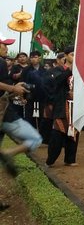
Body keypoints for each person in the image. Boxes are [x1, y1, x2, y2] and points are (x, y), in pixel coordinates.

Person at [0, 33, 41, 177]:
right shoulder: (0, 62)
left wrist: (14, 89)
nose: (6, 48)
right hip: (5, 114)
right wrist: (13, 89)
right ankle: (7, 153)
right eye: (4, 45)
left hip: (5, 110)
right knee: (35, 139)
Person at [46, 45, 78, 167]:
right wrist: (70, 70)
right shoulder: (57, 70)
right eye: (72, 55)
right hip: (61, 106)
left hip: (75, 106)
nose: (75, 57)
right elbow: (56, 82)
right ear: (65, 56)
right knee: (58, 134)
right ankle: (50, 160)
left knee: (74, 133)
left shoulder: (80, 71)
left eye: (76, 55)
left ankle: (70, 159)